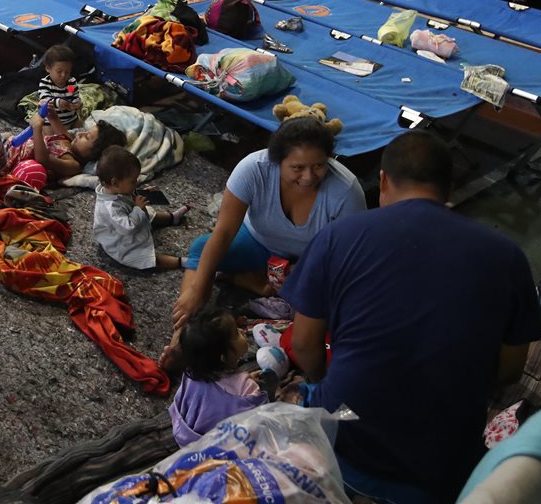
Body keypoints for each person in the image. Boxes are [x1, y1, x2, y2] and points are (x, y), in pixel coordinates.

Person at [283, 131, 541, 503]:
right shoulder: (507, 256)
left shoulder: (338, 237)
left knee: (312, 398)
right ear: (449, 188)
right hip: (441, 460)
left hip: (348, 431)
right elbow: (511, 370)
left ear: (384, 181)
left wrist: (329, 379)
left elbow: (305, 344)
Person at [169, 118, 365, 330]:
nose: (308, 177)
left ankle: (252, 279)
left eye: (319, 165)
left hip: (311, 261)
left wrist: (301, 272)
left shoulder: (346, 192)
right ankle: (183, 334)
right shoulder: (253, 169)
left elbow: (346, 259)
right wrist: (198, 290)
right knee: (201, 251)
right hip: (259, 242)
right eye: (297, 167)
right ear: (277, 160)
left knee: (333, 302)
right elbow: (224, 233)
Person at [0, 96, 125, 198]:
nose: (81, 134)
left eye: (87, 137)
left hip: (2, 164)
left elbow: (43, 159)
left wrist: (37, 127)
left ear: (94, 153)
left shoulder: (72, 163)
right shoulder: (69, 138)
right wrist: (50, 112)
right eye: (85, 131)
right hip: (7, 146)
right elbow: (56, 123)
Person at [168, 308, 268, 447]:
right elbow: (258, 419)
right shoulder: (247, 387)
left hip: (183, 435)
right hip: (215, 449)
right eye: (235, 334)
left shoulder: (193, 373)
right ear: (224, 357)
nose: (241, 331)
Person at [94, 146, 189, 273]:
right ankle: (181, 262)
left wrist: (144, 192)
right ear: (115, 183)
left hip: (130, 216)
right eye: (133, 181)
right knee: (145, 259)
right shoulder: (109, 208)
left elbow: (127, 193)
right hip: (119, 240)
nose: (136, 183)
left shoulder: (115, 188)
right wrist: (138, 210)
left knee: (150, 214)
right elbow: (126, 228)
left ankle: (172, 217)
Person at [36, 44, 82, 129]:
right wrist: (59, 102)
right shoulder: (45, 83)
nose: (63, 75)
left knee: (81, 126)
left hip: (71, 119)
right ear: (48, 68)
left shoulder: (71, 83)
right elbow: (46, 100)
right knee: (48, 135)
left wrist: (76, 103)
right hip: (51, 122)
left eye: (67, 72)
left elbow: (73, 95)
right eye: (59, 71)